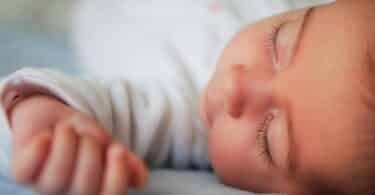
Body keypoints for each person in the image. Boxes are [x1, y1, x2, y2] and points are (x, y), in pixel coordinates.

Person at [1, 0, 373, 194]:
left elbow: (104, 107)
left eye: (269, 139)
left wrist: (41, 114)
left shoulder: (181, 116)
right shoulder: (335, 31)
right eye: (279, 43)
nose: (235, 87)